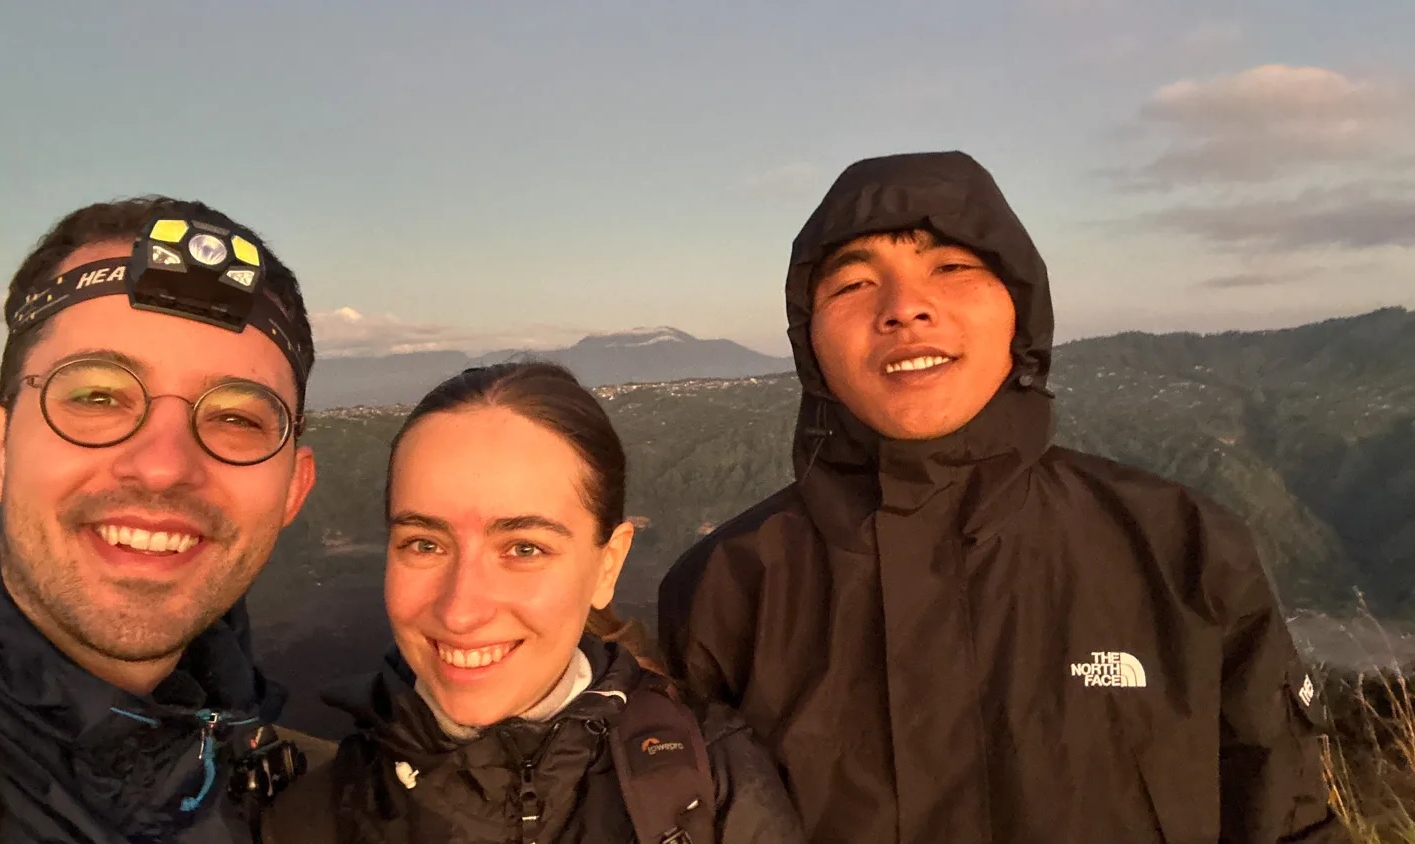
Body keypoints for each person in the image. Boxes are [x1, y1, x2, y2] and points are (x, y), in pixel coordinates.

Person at [657, 151, 1347, 843]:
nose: (905, 308)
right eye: (854, 285)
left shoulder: (1181, 546)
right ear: (809, 342)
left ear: (1021, 307)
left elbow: (1284, 823)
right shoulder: (726, 588)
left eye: (952, 268)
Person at [0, 197, 322, 843]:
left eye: (237, 418)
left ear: (293, 491)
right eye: (97, 396)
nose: (163, 466)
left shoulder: (245, 747)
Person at [262, 362, 804, 844]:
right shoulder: (304, 820)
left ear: (607, 566)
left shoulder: (715, 784)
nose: (460, 611)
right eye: (424, 544)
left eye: (524, 548)